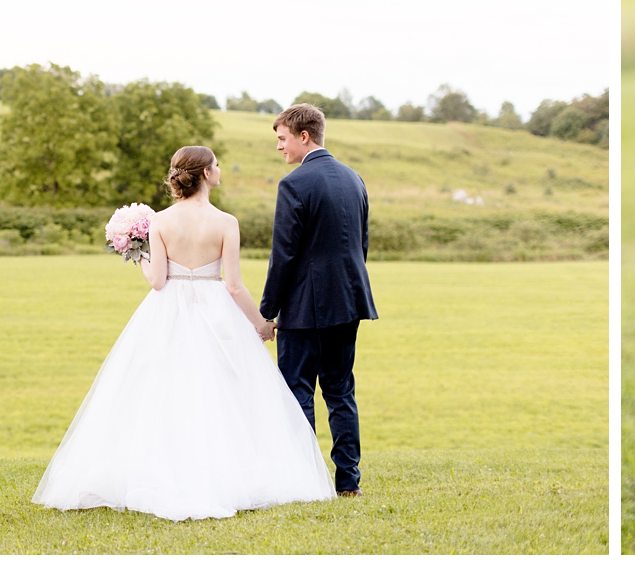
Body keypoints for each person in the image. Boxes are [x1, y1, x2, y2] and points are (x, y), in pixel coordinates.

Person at [32, 146, 334, 521]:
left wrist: (141, 255)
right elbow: (234, 286)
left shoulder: (160, 221)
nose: (220, 169)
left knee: (162, 390)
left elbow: (158, 282)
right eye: (217, 164)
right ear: (206, 173)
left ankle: (166, 469)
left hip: (169, 310)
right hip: (214, 309)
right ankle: (224, 471)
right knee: (223, 390)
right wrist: (260, 324)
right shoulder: (227, 222)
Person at [260, 104, 377, 496]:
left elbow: (284, 255)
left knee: (298, 393)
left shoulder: (294, 184)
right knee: (341, 391)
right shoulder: (353, 179)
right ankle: (349, 482)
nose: (280, 147)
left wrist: (267, 312)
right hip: (349, 301)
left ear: (303, 136)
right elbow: (361, 245)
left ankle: (307, 483)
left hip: (304, 308)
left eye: (282, 138)